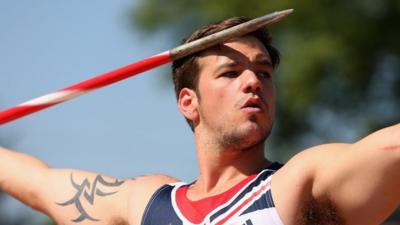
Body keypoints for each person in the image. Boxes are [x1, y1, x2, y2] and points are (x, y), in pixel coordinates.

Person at [0, 16, 399, 225]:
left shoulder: (299, 185)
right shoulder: (147, 205)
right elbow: (40, 183)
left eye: (263, 73)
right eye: (230, 73)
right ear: (189, 103)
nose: (252, 82)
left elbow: (389, 149)